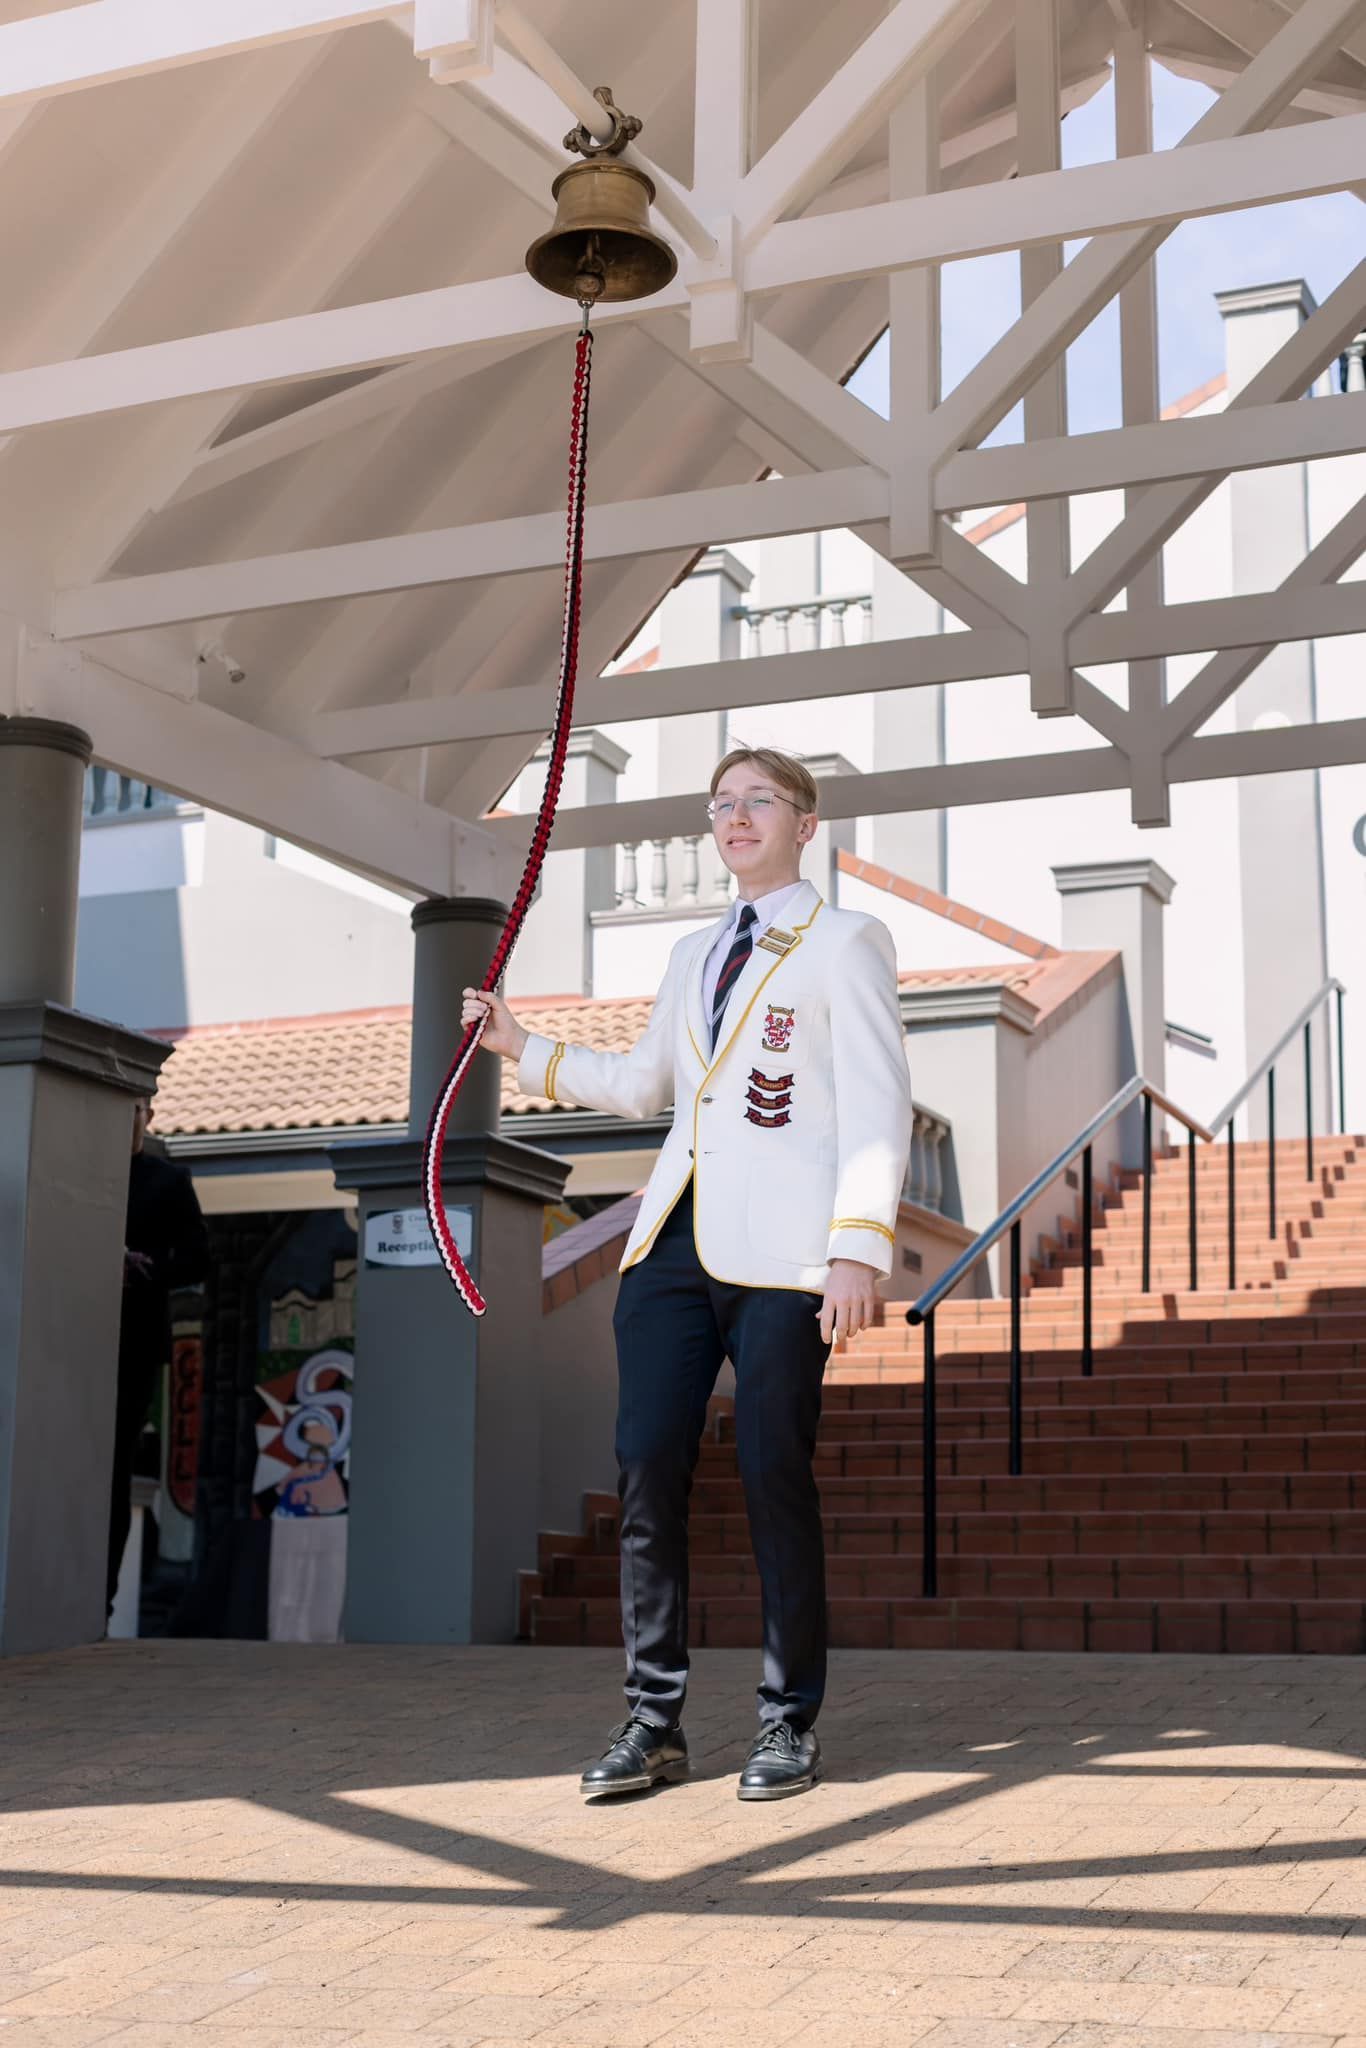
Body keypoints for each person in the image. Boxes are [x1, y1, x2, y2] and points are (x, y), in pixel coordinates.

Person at [465, 746, 912, 1800]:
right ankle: (652, 1719)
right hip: (670, 1242)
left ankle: (786, 1720)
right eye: (722, 803)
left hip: (790, 1253)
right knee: (647, 1475)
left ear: (806, 823)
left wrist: (857, 1243)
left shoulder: (846, 941)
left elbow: (878, 1097)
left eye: (759, 799)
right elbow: (642, 1084)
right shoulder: (690, 952)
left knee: (771, 1473)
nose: (736, 816)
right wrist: (520, 1046)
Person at [108, 1095, 210, 1619]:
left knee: (115, 1469)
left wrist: (144, 1266)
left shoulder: (168, 1181)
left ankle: (100, 1598)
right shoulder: (76, 1169)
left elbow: (199, 1258)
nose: (131, 1119)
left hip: (135, 1341)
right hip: (62, 1340)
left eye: (138, 1110)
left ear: (149, 1116)